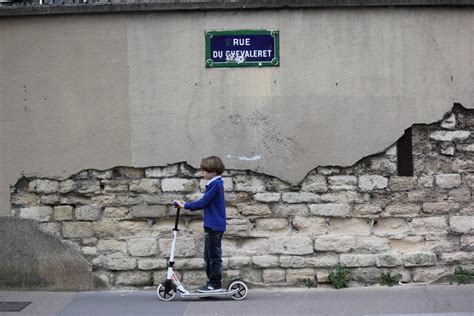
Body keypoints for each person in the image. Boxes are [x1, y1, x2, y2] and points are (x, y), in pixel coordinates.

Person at [174, 156, 226, 293]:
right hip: (211, 225)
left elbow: (203, 203)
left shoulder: (216, 184)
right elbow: (205, 202)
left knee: (214, 256)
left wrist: (185, 205)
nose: (202, 173)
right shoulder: (214, 183)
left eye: (204, 171)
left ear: (213, 171)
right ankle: (211, 283)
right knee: (208, 256)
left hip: (214, 225)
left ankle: (215, 285)